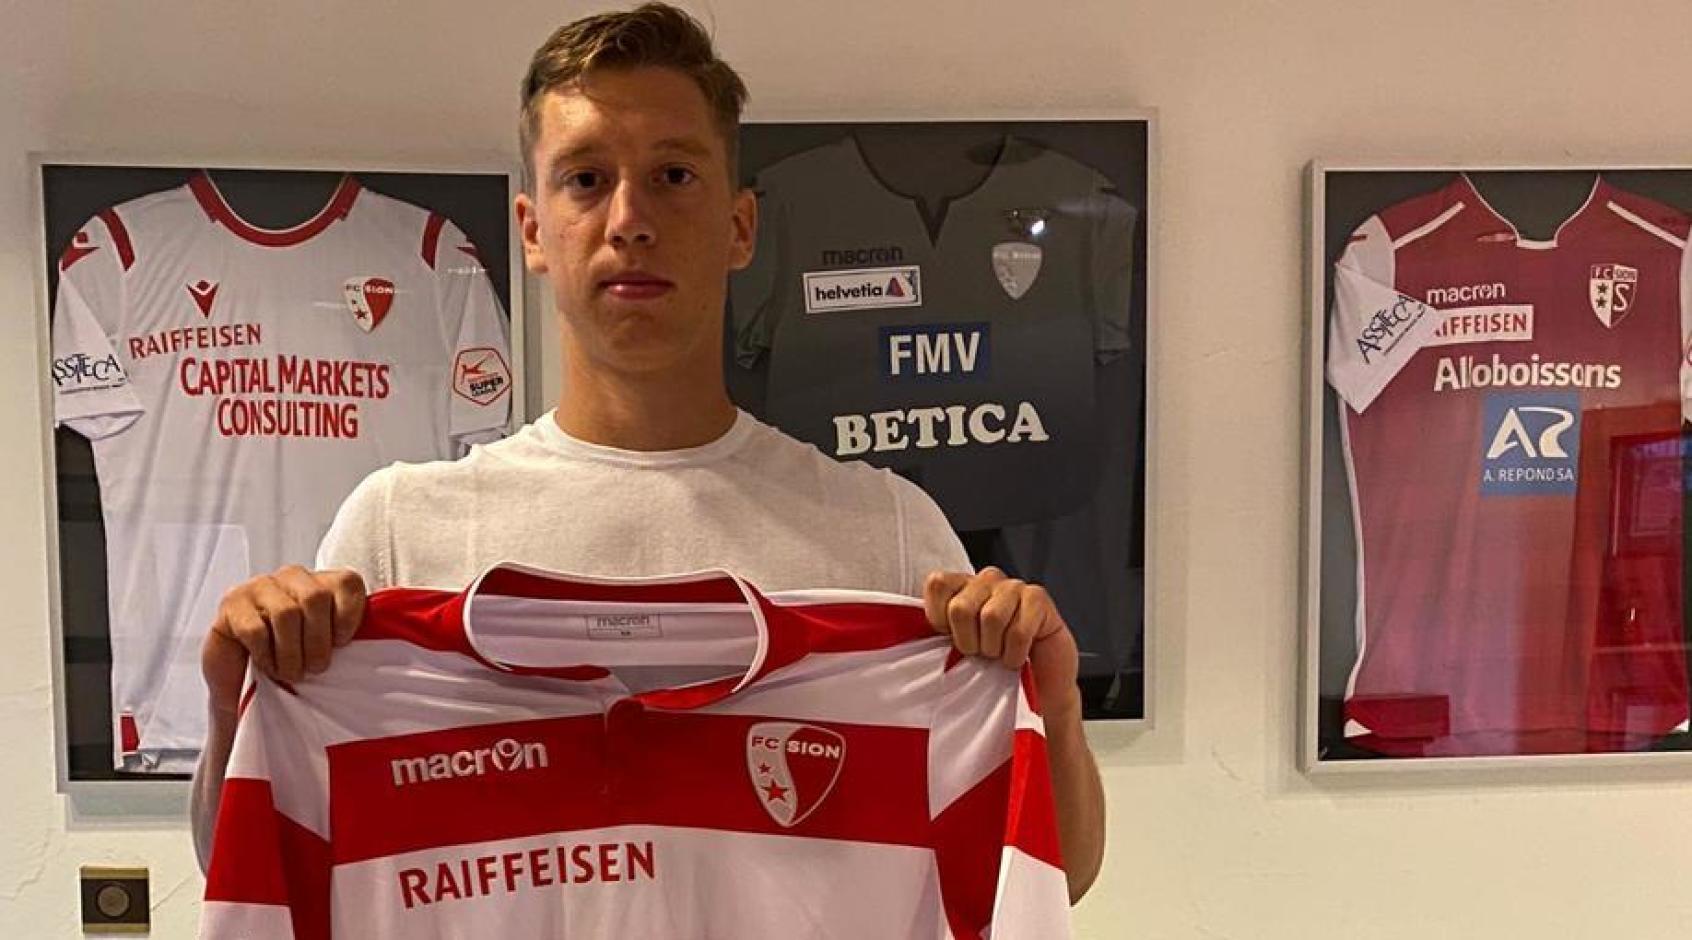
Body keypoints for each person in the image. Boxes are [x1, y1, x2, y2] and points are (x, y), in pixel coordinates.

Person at [192, 1, 1106, 903]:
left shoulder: (888, 531)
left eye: (674, 174)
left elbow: (1041, 877)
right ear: (533, 230)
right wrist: (239, 706)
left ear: (741, 227)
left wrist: (1052, 706)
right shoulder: (398, 527)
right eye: (586, 178)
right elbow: (258, 867)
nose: (629, 218)